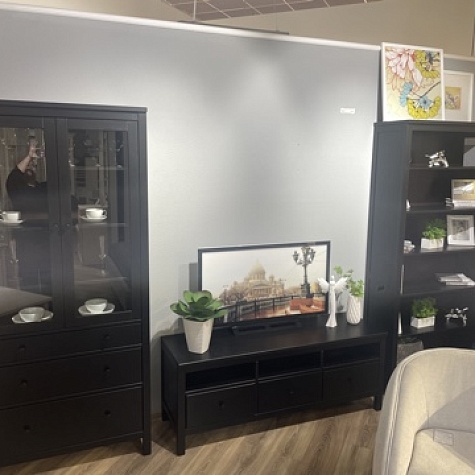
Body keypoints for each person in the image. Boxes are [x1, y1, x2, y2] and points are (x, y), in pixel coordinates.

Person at [6, 137, 50, 294]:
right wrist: (29, 156)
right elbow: (14, 177)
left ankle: (51, 307)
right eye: (27, 165)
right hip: (27, 241)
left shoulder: (43, 188)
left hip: (47, 241)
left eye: (33, 165)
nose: (30, 167)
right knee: (29, 280)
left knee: (49, 280)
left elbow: (61, 180)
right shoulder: (18, 189)